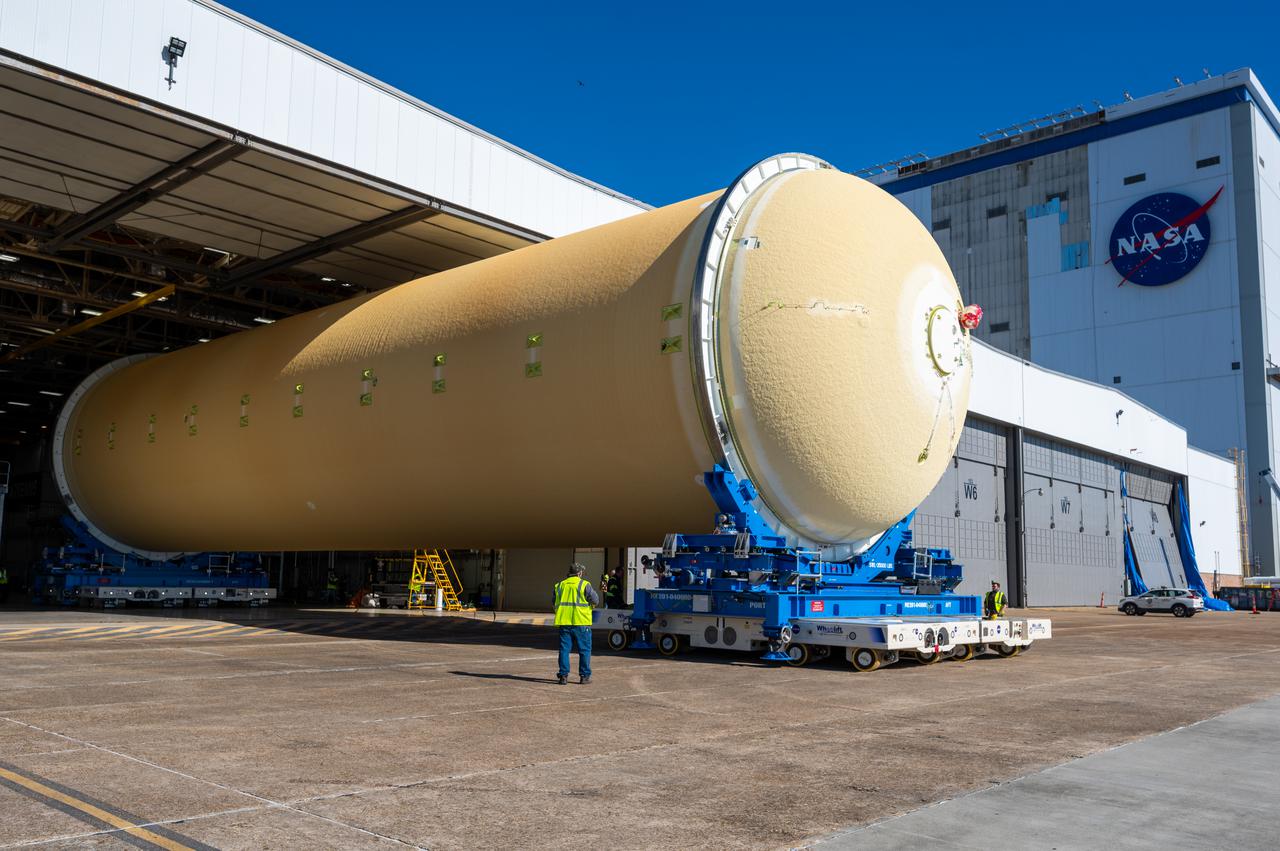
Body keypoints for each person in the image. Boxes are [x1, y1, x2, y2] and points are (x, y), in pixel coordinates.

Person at [553, 563, 598, 684]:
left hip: (564, 622)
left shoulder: (560, 585)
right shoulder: (584, 585)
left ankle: (563, 676)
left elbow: (554, 602)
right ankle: (584, 676)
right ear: (579, 573)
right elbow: (595, 600)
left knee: (564, 650)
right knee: (584, 650)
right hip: (581, 622)